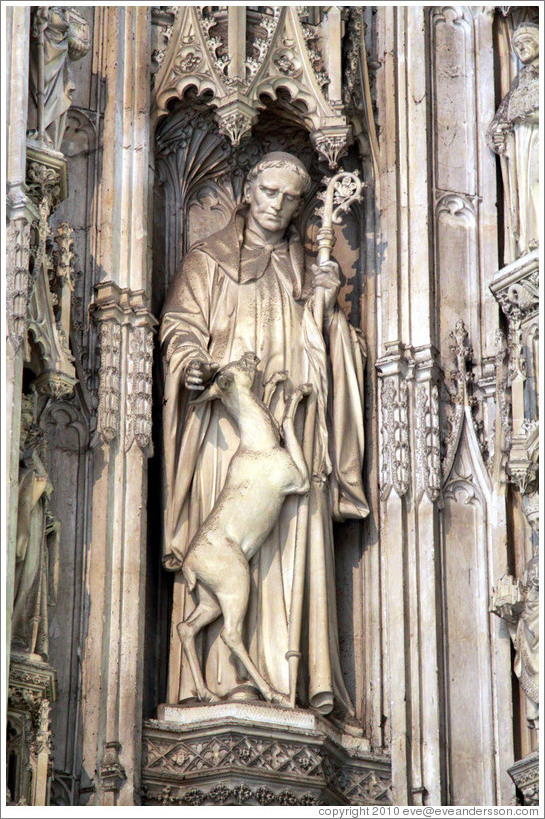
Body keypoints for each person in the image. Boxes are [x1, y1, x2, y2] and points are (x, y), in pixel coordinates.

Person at [161, 152, 369, 719]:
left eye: (292, 199)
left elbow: (335, 354)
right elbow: (178, 329)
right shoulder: (207, 262)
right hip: (227, 433)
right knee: (227, 546)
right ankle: (227, 680)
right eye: (271, 192)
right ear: (249, 192)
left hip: (292, 426)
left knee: (287, 548)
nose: (279, 206)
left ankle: (286, 678)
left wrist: (326, 310)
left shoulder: (305, 268)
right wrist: (194, 365)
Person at [487, 22, 539, 260]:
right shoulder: (521, 79)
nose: (521, 49)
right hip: (524, 145)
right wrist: (499, 134)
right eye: (517, 46)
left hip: (538, 139)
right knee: (530, 185)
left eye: (526, 43)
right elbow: (501, 118)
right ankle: (531, 239)